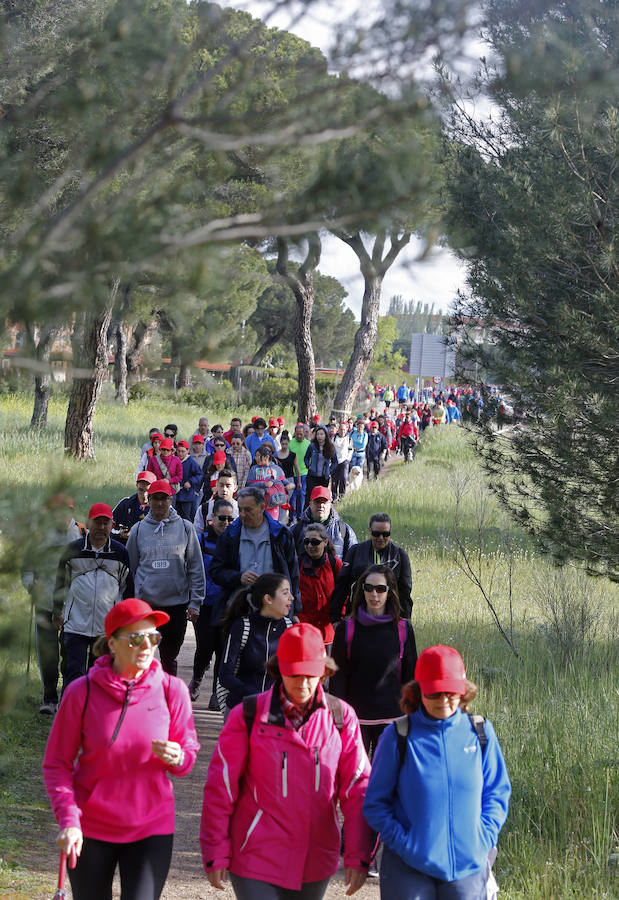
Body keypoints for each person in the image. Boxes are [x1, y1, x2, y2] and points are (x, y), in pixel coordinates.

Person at [200, 623, 372, 898]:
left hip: (315, 859)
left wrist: (359, 854)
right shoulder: (248, 715)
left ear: (324, 672)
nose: (303, 683)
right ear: (279, 669)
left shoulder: (341, 717)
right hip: (254, 855)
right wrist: (214, 849)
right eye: (294, 673)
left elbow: (357, 789)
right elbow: (221, 788)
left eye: (310, 674)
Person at [43, 598, 200, 900]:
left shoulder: (172, 690)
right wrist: (68, 820)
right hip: (90, 827)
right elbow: (56, 765)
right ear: (112, 644)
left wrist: (178, 756)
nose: (146, 645)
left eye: (153, 637)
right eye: (136, 638)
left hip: (151, 827)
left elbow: (188, 753)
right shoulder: (82, 692)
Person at [363, 645, 511, 899]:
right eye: (434, 694)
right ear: (419, 692)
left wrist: (482, 839)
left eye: (451, 692)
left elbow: (497, 793)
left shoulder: (481, 733)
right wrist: (406, 845)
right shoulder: (398, 736)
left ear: (463, 690)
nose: (443, 701)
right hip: (408, 869)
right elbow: (375, 804)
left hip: (467, 869)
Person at [330, 565, 417, 758]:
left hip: (394, 718)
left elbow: (411, 677)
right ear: (361, 590)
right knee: (353, 778)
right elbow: (338, 676)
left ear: (390, 591)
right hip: (355, 719)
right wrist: (338, 714)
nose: (374, 594)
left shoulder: (404, 630)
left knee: (388, 780)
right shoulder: (346, 629)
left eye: (380, 589)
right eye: (368, 588)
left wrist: (412, 716)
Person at [126, 480, 205, 676]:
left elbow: (196, 567)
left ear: (171, 500)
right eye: (155, 499)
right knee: (144, 655)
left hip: (176, 604)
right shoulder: (137, 530)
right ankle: (144, 697)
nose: (160, 503)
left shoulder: (186, 528)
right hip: (147, 606)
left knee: (169, 656)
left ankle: (168, 694)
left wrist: (195, 602)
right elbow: (130, 569)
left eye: (164, 499)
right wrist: (130, 603)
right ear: (148, 501)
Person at [53, 503, 133, 688]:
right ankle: (70, 714)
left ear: (112, 526)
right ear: (89, 523)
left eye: (106, 523)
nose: (102, 527)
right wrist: (57, 612)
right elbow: (60, 584)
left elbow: (128, 589)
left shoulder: (121, 553)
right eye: (98, 522)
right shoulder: (72, 550)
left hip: (106, 629)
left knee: (100, 679)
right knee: (73, 675)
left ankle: (95, 716)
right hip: (75, 625)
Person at [22, 494, 85, 714]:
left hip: (73, 606)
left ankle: (68, 696)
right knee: (48, 654)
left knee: (70, 655)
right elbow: (27, 566)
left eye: (66, 511)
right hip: (45, 603)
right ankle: (49, 698)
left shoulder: (81, 533)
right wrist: (30, 584)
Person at [209, 485, 301, 614]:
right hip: (240, 610)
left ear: (262, 507)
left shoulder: (281, 534)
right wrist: (238, 577)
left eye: (248, 510)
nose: (242, 514)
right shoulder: (229, 535)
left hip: (275, 610)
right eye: (240, 509)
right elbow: (216, 571)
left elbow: (293, 574)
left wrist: (295, 609)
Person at [216, 572, 293, 713]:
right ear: (268, 599)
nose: (291, 598)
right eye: (285, 593)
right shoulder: (243, 626)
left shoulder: (290, 628)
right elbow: (225, 676)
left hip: (274, 710)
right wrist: (258, 696)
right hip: (241, 708)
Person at [187, 498, 236, 705]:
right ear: (212, 518)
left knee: (222, 648)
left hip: (227, 606)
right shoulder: (200, 540)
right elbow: (192, 570)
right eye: (221, 518)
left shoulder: (236, 541)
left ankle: (217, 692)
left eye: (229, 518)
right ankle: (197, 680)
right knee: (205, 647)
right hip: (205, 604)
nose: (225, 522)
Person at [330, 514, 412, 623]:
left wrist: (406, 620)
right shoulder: (355, 551)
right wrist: (336, 619)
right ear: (369, 531)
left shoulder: (400, 555)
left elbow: (405, 592)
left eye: (385, 534)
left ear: (390, 531)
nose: (381, 538)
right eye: (376, 534)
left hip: (390, 618)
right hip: (358, 616)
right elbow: (342, 586)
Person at [298, 523, 342, 647]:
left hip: (328, 634)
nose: (310, 546)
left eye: (315, 542)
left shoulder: (335, 564)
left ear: (325, 542)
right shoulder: (297, 564)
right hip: (304, 632)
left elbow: (343, 593)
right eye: (306, 542)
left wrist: (340, 618)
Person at [292, 486, 357, 561]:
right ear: (310, 504)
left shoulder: (344, 530)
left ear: (330, 505)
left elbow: (353, 560)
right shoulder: (296, 530)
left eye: (324, 502)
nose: (321, 505)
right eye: (317, 502)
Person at [112, 471, 155, 543]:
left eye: (148, 490)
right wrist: (120, 534)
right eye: (141, 490)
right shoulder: (126, 504)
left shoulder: (161, 508)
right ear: (136, 486)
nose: (144, 495)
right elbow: (107, 527)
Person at [194, 468, 238, 536]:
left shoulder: (240, 510)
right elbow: (197, 535)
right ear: (216, 485)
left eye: (228, 486)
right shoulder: (204, 509)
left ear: (235, 488)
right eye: (221, 485)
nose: (224, 489)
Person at [304, 426, 337, 500]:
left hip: (324, 477)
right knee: (310, 496)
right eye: (318, 434)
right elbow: (306, 457)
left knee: (321, 497)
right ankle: (308, 511)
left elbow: (335, 461)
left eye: (321, 434)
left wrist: (330, 470)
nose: (319, 436)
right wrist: (308, 466)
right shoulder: (312, 446)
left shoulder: (330, 447)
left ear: (325, 435)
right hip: (312, 476)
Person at [175, 440, 203, 521]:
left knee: (186, 517)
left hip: (187, 495)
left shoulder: (191, 462)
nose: (180, 453)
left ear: (188, 451)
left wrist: (190, 481)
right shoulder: (175, 460)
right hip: (176, 493)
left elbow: (200, 474)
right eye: (179, 451)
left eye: (183, 451)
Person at [288, 422, 311, 519]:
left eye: (301, 434)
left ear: (304, 433)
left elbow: (310, 459)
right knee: (292, 496)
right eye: (297, 434)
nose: (299, 436)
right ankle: (291, 517)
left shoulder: (308, 444)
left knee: (301, 495)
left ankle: (300, 515)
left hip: (304, 473)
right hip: (292, 473)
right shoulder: (291, 443)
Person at [276, 430, 302, 513]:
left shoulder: (292, 455)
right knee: (279, 500)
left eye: (286, 444)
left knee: (287, 499)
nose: (284, 446)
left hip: (289, 479)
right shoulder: (276, 455)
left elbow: (297, 468)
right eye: (283, 444)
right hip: (279, 480)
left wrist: (299, 482)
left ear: (289, 443)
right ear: (280, 443)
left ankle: (287, 517)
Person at [332, 421, 353, 501]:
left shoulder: (349, 439)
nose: (342, 431)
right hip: (335, 461)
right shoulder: (334, 438)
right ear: (338, 430)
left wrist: (348, 458)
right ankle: (334, 496)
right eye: (341, 429)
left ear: (346, 430)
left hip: (344, 461)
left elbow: (351, 449)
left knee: (343, 478)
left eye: (344, 429)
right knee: (334, 480)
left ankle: (342, 495)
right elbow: (331, 449)